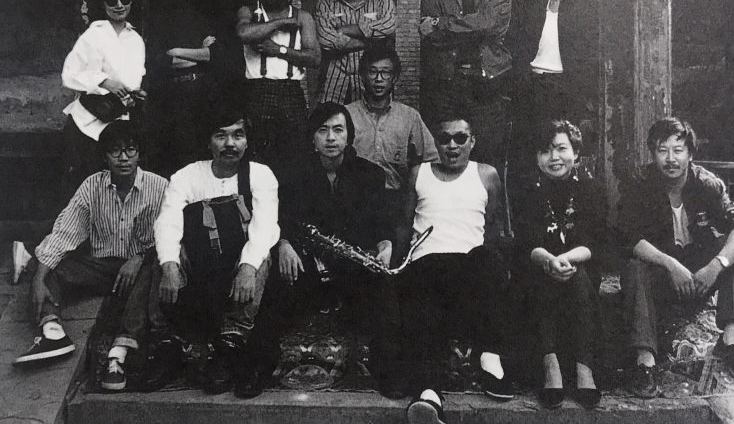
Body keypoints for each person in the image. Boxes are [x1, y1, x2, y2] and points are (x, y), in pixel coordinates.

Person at [245, 102, 403, 398]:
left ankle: (388, 369)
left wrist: (385, 245)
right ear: (312, 137)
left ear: (349, 135)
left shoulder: (370, 174)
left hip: (352, 263)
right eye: (323, 130)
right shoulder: (293, 173)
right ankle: (257, 367)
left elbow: (382, 224)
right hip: (306, 260)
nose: (331, 138)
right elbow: (281, 217)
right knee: (278, 287)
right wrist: (284, 244)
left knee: (383, 288)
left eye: (338, 130)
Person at [13, 122, 168, 394]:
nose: (123, 158)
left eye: (130, 150)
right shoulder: (92, 186)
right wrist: (38, 279)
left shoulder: (159, 187)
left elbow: (171, 235)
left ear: (139, 154)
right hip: (101, 267)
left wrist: (140, 256)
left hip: (140, 268)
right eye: (115, 151)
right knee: (48, 267)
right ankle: (52, 332)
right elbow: (64, 233)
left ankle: (118, 355)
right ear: (105, 157)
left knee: (154, 268)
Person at [620, 117, 734, 398]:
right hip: (661, 275)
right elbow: (628, 238)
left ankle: (731, 342)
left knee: (731, 248)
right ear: (653, 154)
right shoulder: (640, 184)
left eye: (678, 150)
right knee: (635, 266)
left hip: (699, 274)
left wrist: (715, 266)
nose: (670, 159)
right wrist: (670, 265)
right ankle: (644, 361)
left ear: (690, 154)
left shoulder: (707, 185)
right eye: (662, 150)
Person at [153, 105, 280, 397]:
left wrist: (248, 267)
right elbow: (168, 222)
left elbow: (265, 227)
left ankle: (231, 343)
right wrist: (170, 266)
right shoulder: (186, 176)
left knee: (262, 256)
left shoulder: (260, 175)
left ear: (247, 141)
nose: (230, 144)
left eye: (238, 135)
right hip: (201, 270)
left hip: (238, 271)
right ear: (209, 141)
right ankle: (167, 345)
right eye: (221, 136)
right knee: (162, 253)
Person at [399, 116, 509, 424]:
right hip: (427, 265)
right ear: (435, 142)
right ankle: (429, 396)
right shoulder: (418, 173)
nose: (452, 145)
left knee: (488, 258)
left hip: (471, 268)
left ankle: (491, 362)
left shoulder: (486, 174)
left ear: (472, 141)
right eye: (444, 138)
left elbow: (492, 226)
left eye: (460, 138)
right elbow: (403, 226)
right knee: (425, 289)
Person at [508, 120, 605, 409]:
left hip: (580, 264)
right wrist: (550, 260)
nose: (554, 157)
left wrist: (565, 259)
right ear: (536, 157)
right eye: (545, 151)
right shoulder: (526, 190)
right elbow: (526, 241)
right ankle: (551, 366)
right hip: (538, 265)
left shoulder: (591, 188)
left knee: (579, 277)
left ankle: (584, 368)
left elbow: (593, 242)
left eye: (561, 149)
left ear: (576, 152)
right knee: (542, 276)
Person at [419, 0, 513, 169]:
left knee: (488, 160)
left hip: (488, 87)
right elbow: (432, 38)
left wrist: (440, 23)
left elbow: (488, 24)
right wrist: (472, 29)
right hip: (447, 87)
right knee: (446, 158)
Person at [60, 0, 147, 200]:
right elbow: (69, 74)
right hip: (87, 124)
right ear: (103, 3)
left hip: (118, 124)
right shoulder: (94, 34)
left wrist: (135, 94)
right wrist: (104, 81)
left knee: (112, 192)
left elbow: (133, 80)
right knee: (83, 191)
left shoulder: (136, 40)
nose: (119, 5)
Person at [232, 0, 321, 180]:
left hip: (290, 91)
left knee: (294, 158)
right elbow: (243, 33)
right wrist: (281, 23)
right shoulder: (249, 12)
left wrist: (279, 50)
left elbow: (314, 58)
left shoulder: (303, 17)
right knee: (256, 157)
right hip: (257, 91)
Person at [346, 46, 437, 238]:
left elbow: (432, 161)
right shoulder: (347, 115)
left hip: (395, 204)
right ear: (362, 76)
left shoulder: (409, 117)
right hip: (354, 203)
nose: (379, 79)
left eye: (385, 73)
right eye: (372, 72)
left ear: (394, 78)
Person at [521, 0, 599, 154]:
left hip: (569, 91)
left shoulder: (589, 4)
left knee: (565, 153)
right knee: (534, 152)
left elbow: (592, 57)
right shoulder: (535, 4)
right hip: (535, 88)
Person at [145, 0, 217, 177]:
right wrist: (198, 54)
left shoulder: (202, 17)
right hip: (169, 97)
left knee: (196, 160)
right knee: (168, 161)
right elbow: (158, 61)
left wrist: (176, 51)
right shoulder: (157, 19)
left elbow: (212, 56)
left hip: (198, 95)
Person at [315, 0, 397, 104]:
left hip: (370, 85)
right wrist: (372, 41)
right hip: (334, 85)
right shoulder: (325, 4)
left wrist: (343, 30)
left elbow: (389, 26)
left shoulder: (382, 2)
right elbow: (326, 39)